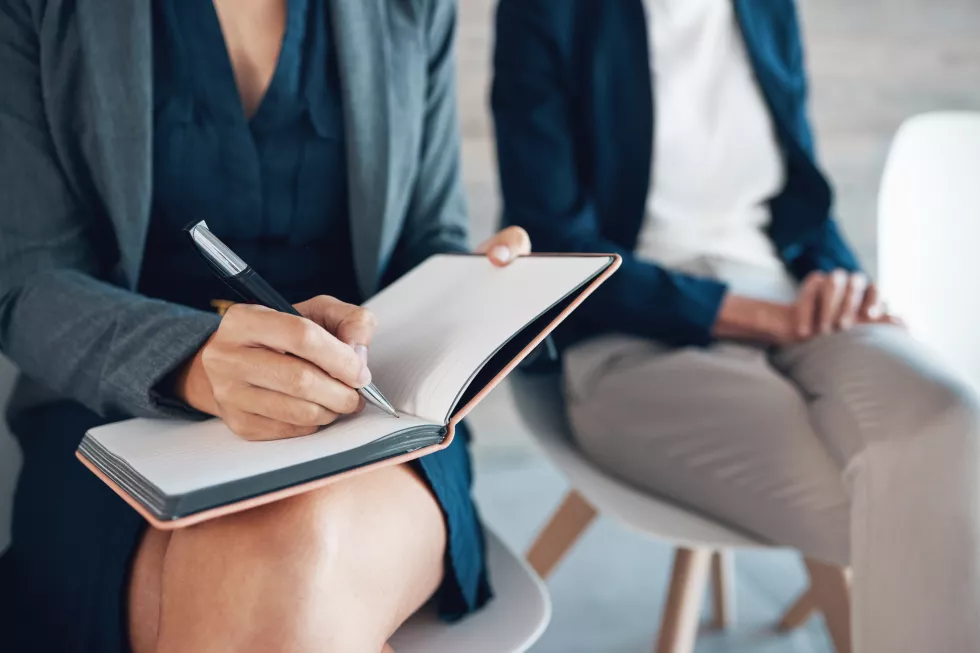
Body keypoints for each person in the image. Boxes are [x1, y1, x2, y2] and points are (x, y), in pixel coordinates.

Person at [0, 1, 532, 652]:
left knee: (292, 552)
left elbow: (427, 233)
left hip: (366, 418)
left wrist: (473, 281)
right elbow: (25, 279)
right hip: (109, 423)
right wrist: (194, 361)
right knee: (279, 587)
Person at [492, 0, 980, 650]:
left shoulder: (766, 8)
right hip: (631, 335)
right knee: (923, 507)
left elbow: (802, 196)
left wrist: (835, 275)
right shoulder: (548, 13)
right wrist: (756, 317)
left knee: (952, 419)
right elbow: (556, 245)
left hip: (791, 298)